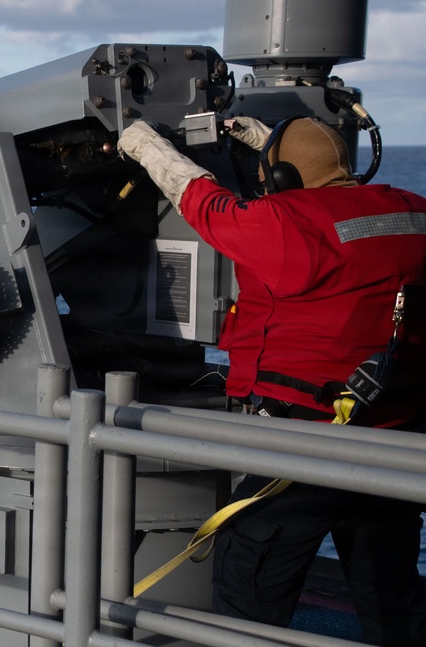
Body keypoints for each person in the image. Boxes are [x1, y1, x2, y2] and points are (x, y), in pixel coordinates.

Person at [118, 116, 426, 646]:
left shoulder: (284, 223)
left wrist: (146, 146)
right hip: (395, 443)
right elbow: (338, 214)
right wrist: (274, 148)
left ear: (281, 179)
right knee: (391, 597)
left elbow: (204, 202)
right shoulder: (413, 212)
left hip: (301, 448)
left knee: (248, 588)